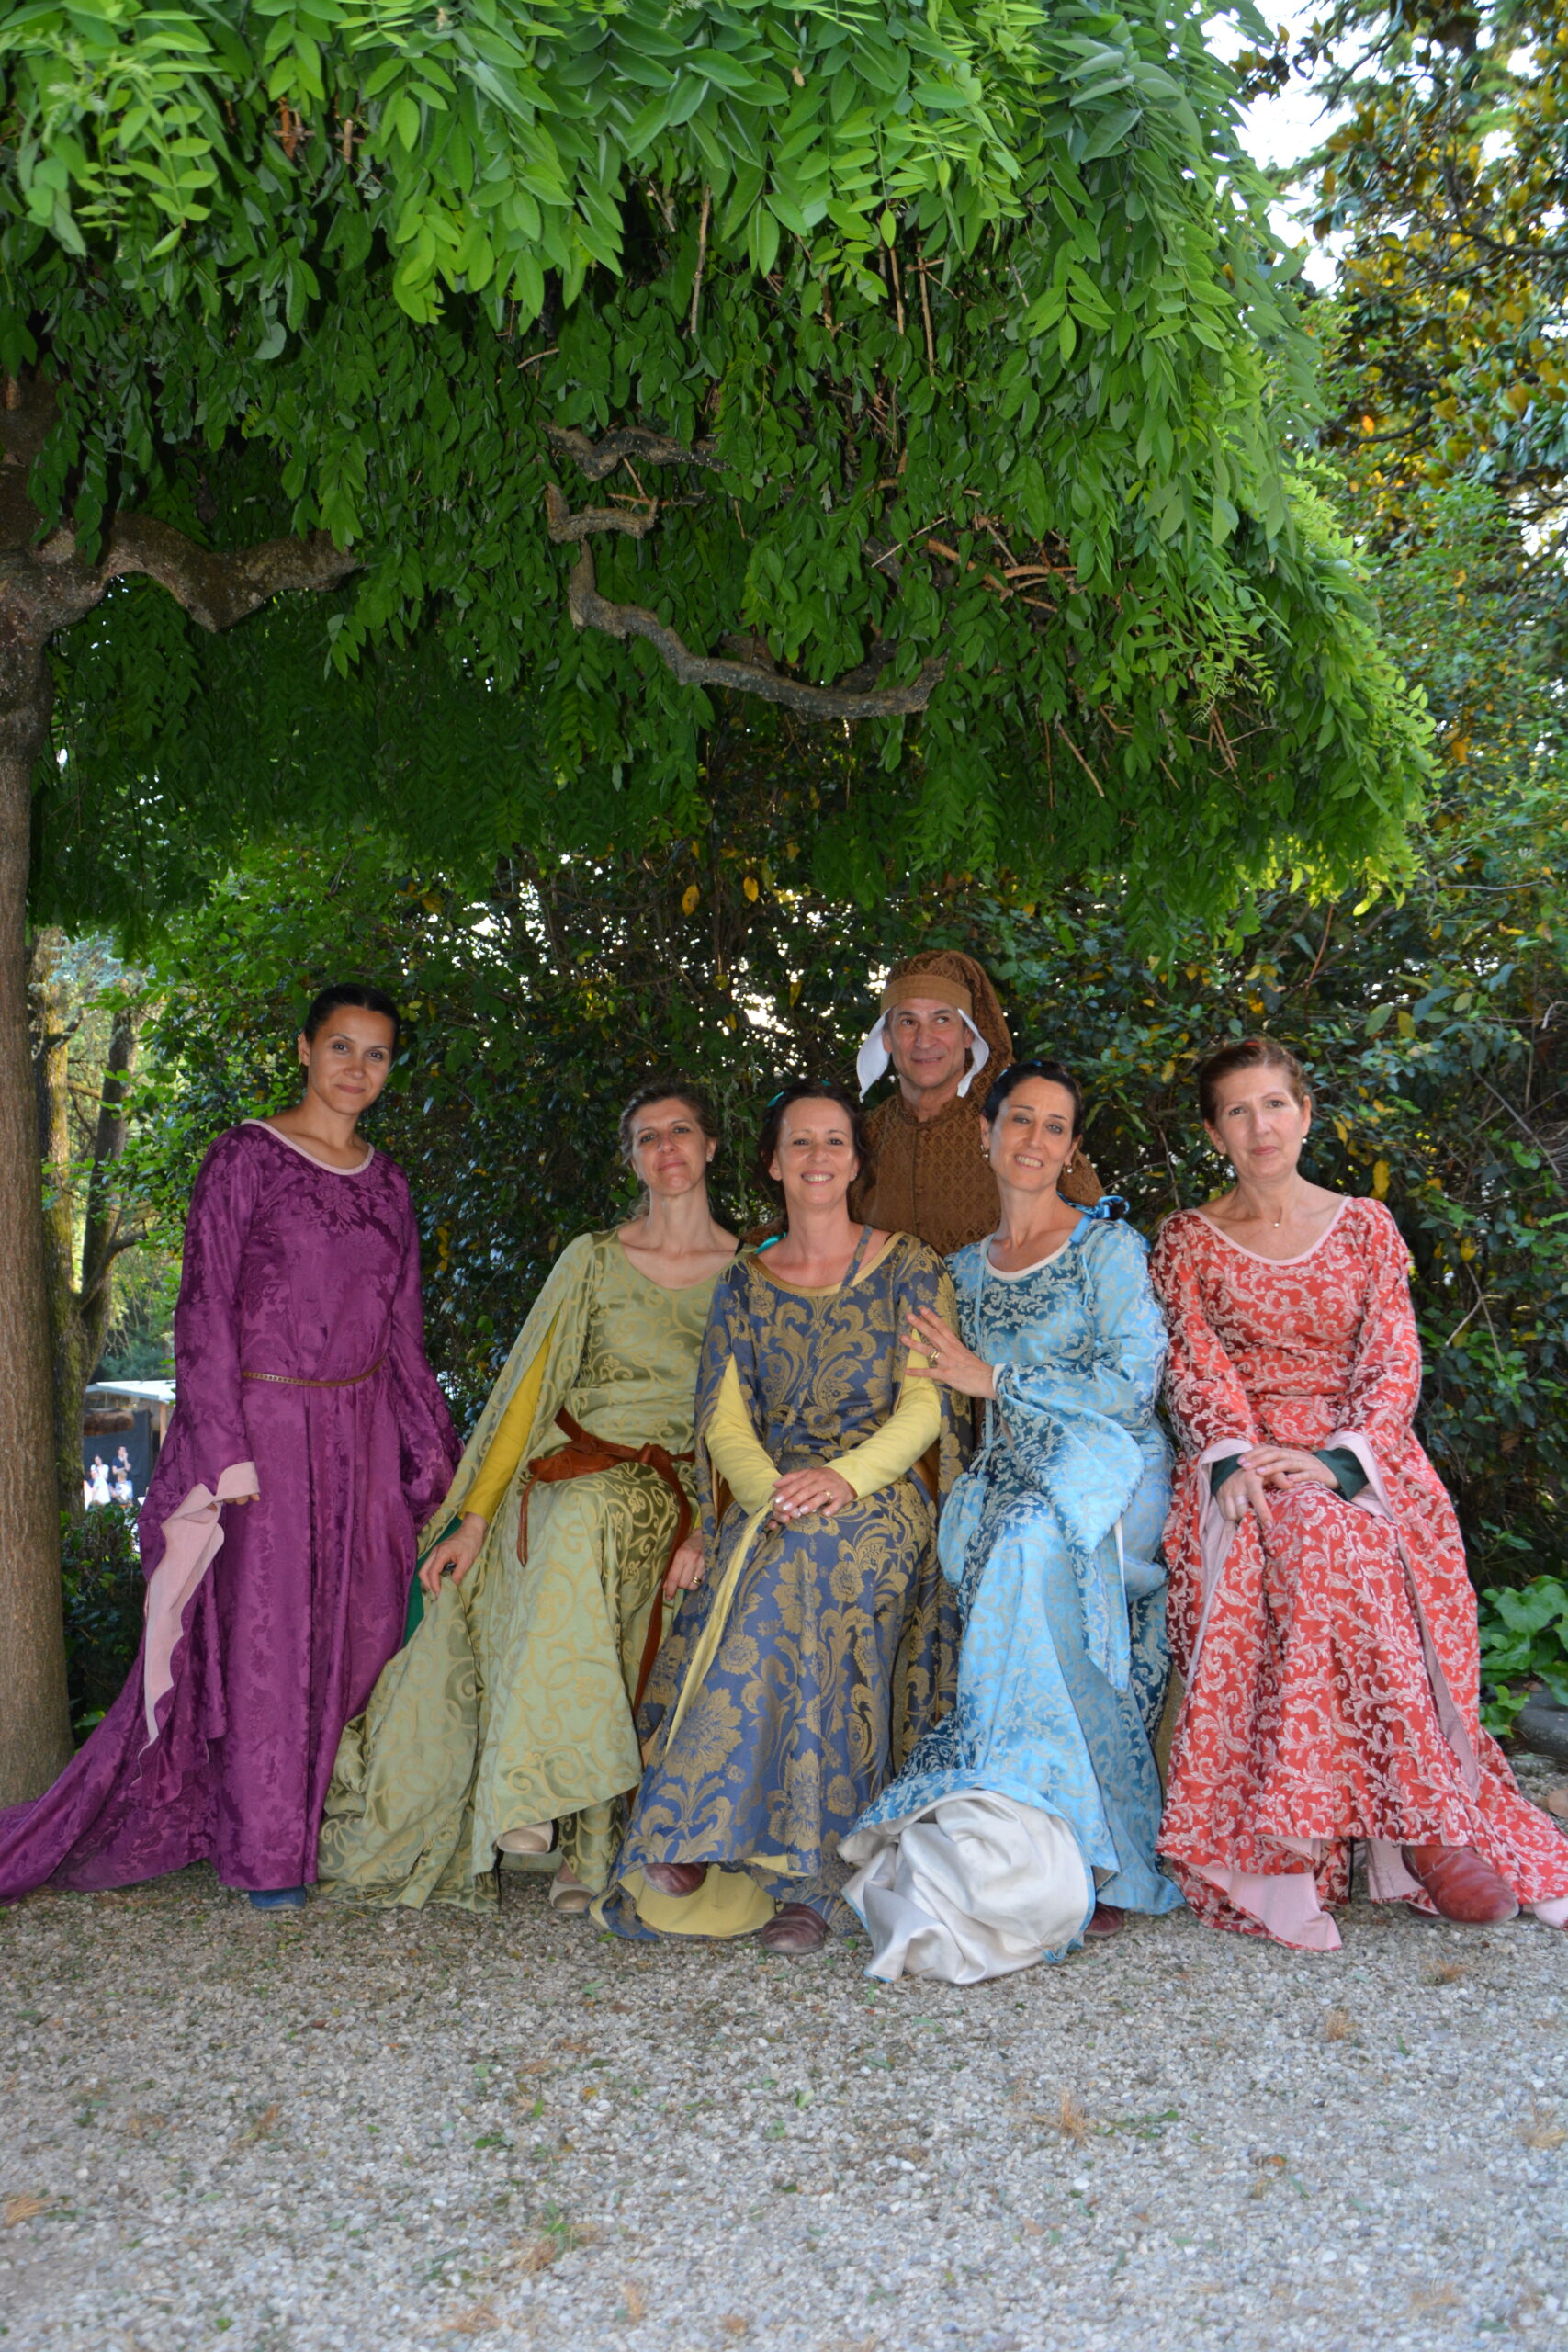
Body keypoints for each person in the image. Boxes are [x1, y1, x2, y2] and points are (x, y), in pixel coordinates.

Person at [0, 985, 458, 1914]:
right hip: (265, 1434)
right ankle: (266, 1853)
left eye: (375, 1053)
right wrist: (225, 1449)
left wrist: (428, 1457)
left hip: (363, 1435)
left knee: (365, 1629)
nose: (356, 1068)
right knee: (268, 1644)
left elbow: (403, 1329)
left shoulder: (390, 1183)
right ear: (304, 1050)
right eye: (341, 1046)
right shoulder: (245, 1156)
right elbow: (203, 1307)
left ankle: (335, 1829)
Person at [1150, 1036, 1568, 1950]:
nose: (1260, 1126)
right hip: (1245, 1462)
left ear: (1305, 1114)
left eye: (1274, 1104)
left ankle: (1415, 1824)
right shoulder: (1186, 1239)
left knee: (1346, 1532)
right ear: (1214, 1133)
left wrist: (1339, 1464)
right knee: (1310, 1533)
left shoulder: (1366, 1226)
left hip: (1364, 1459)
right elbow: (1193, 1363)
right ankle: (1411, 1835)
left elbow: (1391, 1361)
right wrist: (1235, 1457)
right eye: (1236, 1111)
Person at [318, 1084, 738, 1915]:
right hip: (568, 1467)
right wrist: (474, 1520)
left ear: (710, 1147)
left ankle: (548, 1806)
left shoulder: (749, 1272)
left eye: (681, 1131)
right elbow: (527, 1396)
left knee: (580, 1524)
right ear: (631, 1160)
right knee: (559, 1524)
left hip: (680, 1482)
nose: (667, 1148)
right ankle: (564, 1825)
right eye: (647, 1137)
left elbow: (754, 1410)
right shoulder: (592, 1258)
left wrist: (716, 1524)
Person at [599, 1078, 964, 1953]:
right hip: (775, 1492)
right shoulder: (744, 1283)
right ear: (771, 1163)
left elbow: (924, 1409)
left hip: (880, 1494)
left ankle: (791, 1871)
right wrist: (773, 1492)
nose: (817, 1156)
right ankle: (768, 1863)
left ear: (856, 1162)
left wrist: (840, 1479)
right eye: (799, 1142)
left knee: (809, 1560)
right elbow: (724, 1419)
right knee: (787, 1558)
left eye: (834, 1141)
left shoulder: (911, 1266)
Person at [840, 1061, 1182, 1982]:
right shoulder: (959, 1274)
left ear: (1071, 1150)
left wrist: (995, 1378)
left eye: (1054, 1126)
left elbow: (1130, 1388)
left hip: (1114, 1470)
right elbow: (914, 1388)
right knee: (1011, 1536)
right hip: (1010, 1473)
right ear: (985, 1135)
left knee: (1033, 1541)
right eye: (1019, 1120)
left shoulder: (1108, 1249)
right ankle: (1022, 1847)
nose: (1034, 1139)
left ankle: (1083, 1849)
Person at [852, 947, 1102, 1255]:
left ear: (968, 1035)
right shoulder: (867, 1135)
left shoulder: (1011, 1123)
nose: (924, 1040)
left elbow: (1100, 1236)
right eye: (907, 1022)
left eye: (941, 1019)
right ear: (886, 1038)